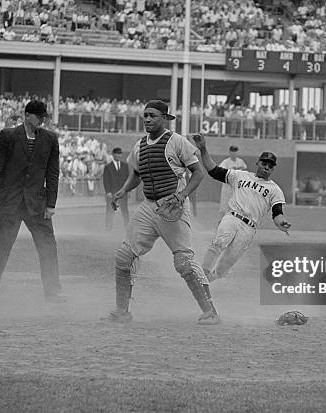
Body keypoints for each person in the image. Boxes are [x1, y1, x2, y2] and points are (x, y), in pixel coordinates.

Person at [108, 100, 220, 325]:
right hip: (149, 207)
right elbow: (137, 175)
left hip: (173, 206)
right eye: (145, 115)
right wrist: (122, 191)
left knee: (184, 263)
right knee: (124, 256)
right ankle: (122, 312)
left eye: (153, 115)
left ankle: (210, 312)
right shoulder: (140, 145)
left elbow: (198, 172)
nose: (147, 119)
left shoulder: (177, 142)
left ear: (165, 118)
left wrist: (181, 196)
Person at [0, 100, 65, 303]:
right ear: (27, 116)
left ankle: (52, 291)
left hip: (37, 203)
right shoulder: (8, 136)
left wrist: (51, 204)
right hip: (9, 201)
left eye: (44, 116)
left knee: (48, 246)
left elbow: (53, 173)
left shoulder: (50, 139)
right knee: (1, 245)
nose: (42, 120)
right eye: (39, 116)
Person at [192, 133, 291, 282]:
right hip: (233, 216)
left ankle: (209, 279)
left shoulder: (275, 189)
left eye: (270, 166)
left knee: (226, 264)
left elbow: (277, 213)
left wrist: (281, 223)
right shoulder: (240, 175)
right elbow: (213, 171)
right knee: (219, 242)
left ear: (273, 169)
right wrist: (204, 149)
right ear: (257, 163)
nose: (266, 167)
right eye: (264, 163)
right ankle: (202, 274)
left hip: (249, 228)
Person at [218, 145, 247, 221]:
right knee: (224, 207)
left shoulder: (240, 161)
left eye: (235, 151)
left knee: (236, 207)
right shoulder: (226, 162)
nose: (234, 153)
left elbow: (244, 170)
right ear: (229, 152)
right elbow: (221, 170)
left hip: (237, 187)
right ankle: (220, 224)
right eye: (232, 151)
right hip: (227, 187)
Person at [103, 147, 129, 230]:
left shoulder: (125, 166)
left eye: (120, 154)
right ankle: (108, 227)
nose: (119, 155)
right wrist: (108, 192)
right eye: (117, 154)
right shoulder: (108, 167)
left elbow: (127, 179)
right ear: (113, 155)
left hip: (122, 193)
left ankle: (127, 227)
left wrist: (126, 190)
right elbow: (106, 180)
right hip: (112, 193)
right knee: (110, 211)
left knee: (125, 211)